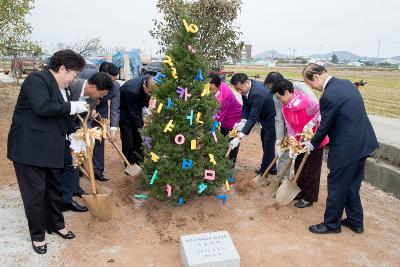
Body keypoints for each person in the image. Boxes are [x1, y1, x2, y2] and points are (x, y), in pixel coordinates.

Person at [7, 49, 87, 254]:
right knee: (35, 193)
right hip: (29, 149)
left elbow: (63, 116)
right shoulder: (37, 80)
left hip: (53, 146)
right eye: (74, 74)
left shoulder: (63, 87)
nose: (74, 79)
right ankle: (38, 235)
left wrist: (73, 135)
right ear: (62, 69)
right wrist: (73, 107)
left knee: (54, 188)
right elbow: (42, 108)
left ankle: (56, 224)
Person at [301, 64, 378, 234]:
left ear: (315, 76)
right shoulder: (347, 84)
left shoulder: (328, 95)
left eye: (310, 84)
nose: (313, 88)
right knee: (352, 184)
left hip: (347, 148)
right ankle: (355, 221)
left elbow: (325, 126)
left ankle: (331, 224)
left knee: (336, 185)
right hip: (363, 143)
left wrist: (312, 143)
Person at [60, 72, 113, 212]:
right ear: (92, 87)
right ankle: (64, 197)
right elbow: (62, 109)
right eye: (101, 93)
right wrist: (70, 133)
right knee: (66, 162)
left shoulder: (94, 98)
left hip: (77, 128)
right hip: (62, 128)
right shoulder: (72, 86)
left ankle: (75, 188)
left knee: (77, 158)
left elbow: (87, 118)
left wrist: (85, 135)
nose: (102, 97)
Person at [272, 79, 329, 208]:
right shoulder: (285, 109)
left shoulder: (307, 101)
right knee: (299, 167)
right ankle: (300, 191)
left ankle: (309, 197)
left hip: (314, 139)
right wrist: (292, 143)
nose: (280, 101)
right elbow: (290, 128)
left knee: (311, 170)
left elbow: (323, 111)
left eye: (279, 97)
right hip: (299, 140)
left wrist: (312, 123)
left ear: (286, 92)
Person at [263, 72, 317, 182]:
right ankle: (281, 180)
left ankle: (301, 184)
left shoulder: (299, 87)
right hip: (291, 127)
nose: (274, 94)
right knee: (283, 151)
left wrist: (310, 127)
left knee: (304, 157)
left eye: (272, 88)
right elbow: (279, 118)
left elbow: (315, 107)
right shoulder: (276, 97)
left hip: (307, 129)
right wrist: (279, 140)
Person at [229, 73, 276, 181]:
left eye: (240, 89)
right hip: (263, 117)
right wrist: (243, 120)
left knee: (268, 144)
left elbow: (253, 117)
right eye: (237, 90)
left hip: (271, 118)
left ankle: (264, 171)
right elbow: (246, 105)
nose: (239, 92)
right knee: (265, 140)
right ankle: (272, 167)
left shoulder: (257, 93)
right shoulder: (246, 88)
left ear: (246, 82)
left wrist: (240, 136)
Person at [78, 62, 121, 181]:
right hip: (81, 107)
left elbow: (115, 108)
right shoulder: (86, 77)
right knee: (80, 134)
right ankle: (78, 166)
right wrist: (90, 109)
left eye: (113, 80)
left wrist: (113, 128)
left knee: (99, 137)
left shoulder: (116, 87)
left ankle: (97, 170)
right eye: (109, 80)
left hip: (101, 109)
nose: (111, 83)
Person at [119, 75, 157, 165]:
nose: (150, 95)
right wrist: (142, 129)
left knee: (138, 139)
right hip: (124, 111)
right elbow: (134, 114)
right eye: (149, 92)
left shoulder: (150, 81)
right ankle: (130, 163)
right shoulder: (131, 91)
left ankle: (139, 161)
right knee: (128, 138)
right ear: (145, 86)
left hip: (137, 106)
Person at [209, 74, 242, 161]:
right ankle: (220, 160)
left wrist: (209, 125)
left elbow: (218, 117)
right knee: (221, 139)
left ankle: (230, 165)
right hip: (225, 119)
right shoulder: (218, 84)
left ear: (218, 85)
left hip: (235, 119)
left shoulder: (223, 98)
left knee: (232, 142)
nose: (210, 91)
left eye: (212, 89)